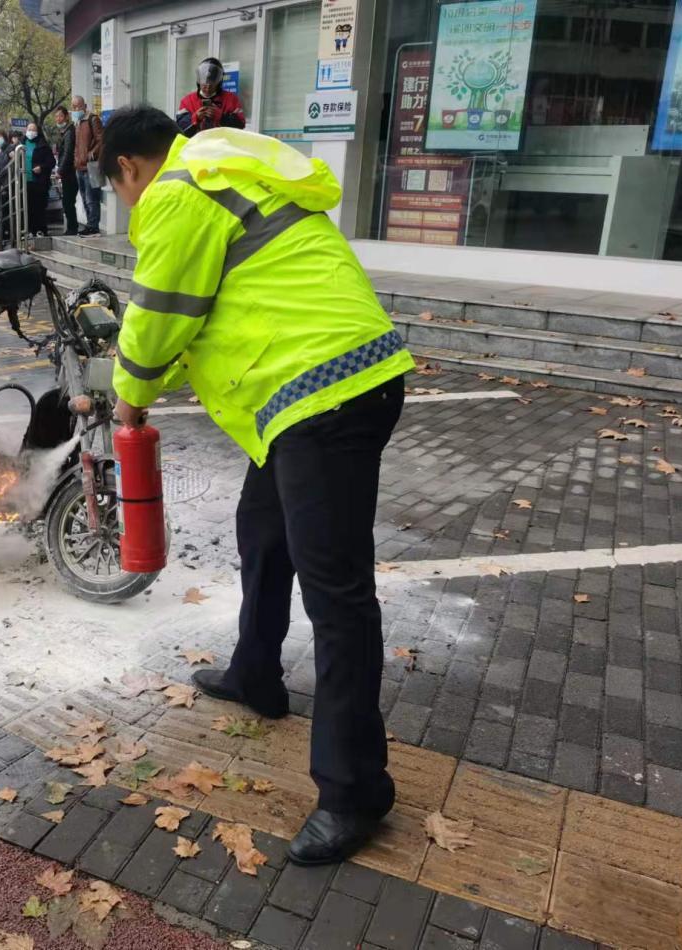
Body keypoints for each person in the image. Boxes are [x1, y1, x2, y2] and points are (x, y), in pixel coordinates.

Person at [103, 106, 414, 865]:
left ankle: (353, 793)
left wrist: (126, 393)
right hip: (320, 388)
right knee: (262, 531)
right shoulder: (222, 169)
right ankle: (255, 672)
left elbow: (161, 317)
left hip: (321, 395)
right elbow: (211, 312)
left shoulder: (177, 192)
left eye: (119, 191)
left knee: (337, 595)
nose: (127, 205)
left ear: (129, 169)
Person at [177, 57, 246, 137]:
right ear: (199, 81)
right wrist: (195, 117)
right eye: (204, 84)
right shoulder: (187, 101)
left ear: (219, 82)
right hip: (196, 146)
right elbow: (179, 126)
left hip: (221, 146)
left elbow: (240, 125)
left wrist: (221, 117)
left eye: (212, 84)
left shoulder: (231, 99)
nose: (208, 87)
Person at [71, 95, 103, 236]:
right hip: (80, 167)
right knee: (84, 197)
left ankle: (93, 226)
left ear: (84, 105)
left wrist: (92, 153)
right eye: (73, 107)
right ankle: (90, 224)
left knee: (92, 198)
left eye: (78, 106)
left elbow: (101, 139)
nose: (76, 109)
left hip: (92, 165)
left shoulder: (93, 119)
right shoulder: (78, 122)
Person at [21, 121, 54, 236]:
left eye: (33, 130)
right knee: (27, 208)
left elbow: (51, 162)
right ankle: (29, 230)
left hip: (39, 183)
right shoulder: (21, 144)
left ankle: (40, 230)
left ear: (37, 132)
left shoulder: (43, 145)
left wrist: (42, 167)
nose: (31, 132)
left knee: (39, 208)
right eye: (29, 129)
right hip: (24, 182)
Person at [53, 105, 79, 235]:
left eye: (61, 116)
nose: (58, 119)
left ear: (66, 117)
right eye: (56, 116)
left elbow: (68, 152)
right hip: (67, 172)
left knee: (68, 201)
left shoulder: (69, 132)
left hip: (70, 172)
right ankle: (72, 227)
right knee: (68, 201)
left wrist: (60, 170)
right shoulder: (64, 132)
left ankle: (72, 228)